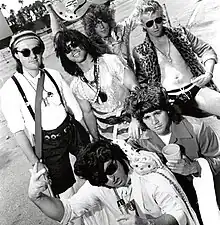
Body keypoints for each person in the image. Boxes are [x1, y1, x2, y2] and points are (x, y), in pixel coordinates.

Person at [0, 30, 90, 198]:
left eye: (36, 50)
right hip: (48, 143)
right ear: (16, 55)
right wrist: (36, 163)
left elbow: (75, 110)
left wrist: (86, 136)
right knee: (66, 194)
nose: (33, 55)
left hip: (71, 130)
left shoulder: (53, 74)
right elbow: (18, 131)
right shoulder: (10, 90)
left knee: (94, 172)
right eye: (25, 52)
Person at [28, 140, 200, 225]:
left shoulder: (151, 178)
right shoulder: (100, 185)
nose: (111, 179)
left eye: (111, 168)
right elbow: (67, 212)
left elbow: (179, 215)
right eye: (102, 179)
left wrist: (147, 224)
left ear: (118, 157)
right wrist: (36, 197)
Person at [124, 85, 220, 224]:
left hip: (203, 192)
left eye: (157, 113)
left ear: (167, 110)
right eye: (147, 117)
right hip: (172, 200)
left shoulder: (197, 128)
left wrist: (194, 167)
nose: (154, 121)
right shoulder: (141, 137)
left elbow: (218, 159)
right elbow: (128, 152)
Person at [133, 0, 220, 118]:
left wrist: (208, 73)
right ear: (143, 25)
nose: (155, 26)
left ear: (162, 18)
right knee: (182, 133)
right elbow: (142, 84)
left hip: (195, 87)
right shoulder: (140, 52)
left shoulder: (180, 34)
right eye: (149, 23)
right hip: (169, 99)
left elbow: (206, 50)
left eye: (158, 20)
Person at [54, 29, 140, 141]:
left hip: (133, 126)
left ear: (83, 42)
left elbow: (136, 88)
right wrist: (96, 140)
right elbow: (88, 113)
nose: (73, 50)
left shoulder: (111, 61)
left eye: (74, 44)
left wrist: (135, 118)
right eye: (67, 50)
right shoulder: (76, 85)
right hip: (108, 135)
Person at [45, 0, 143, 71]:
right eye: (96, 24)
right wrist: (51, 11)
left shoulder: (121, 30)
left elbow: (139, 12)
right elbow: (59, 38)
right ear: (91, 27)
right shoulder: (90, 43)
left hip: (133, 76)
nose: (101, 27)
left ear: (108, 20)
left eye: (102, 21)